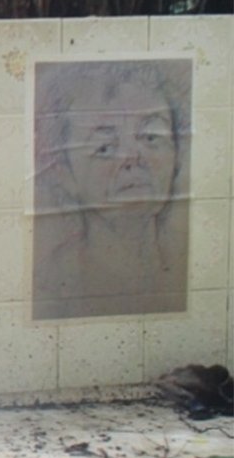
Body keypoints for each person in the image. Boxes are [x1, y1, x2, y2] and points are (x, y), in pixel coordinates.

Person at [32, 59, 189, 320]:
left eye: (151, 137)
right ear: (63, 173)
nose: (133, 157)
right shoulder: (50, 286)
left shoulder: (193, 264)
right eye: (104, 148)